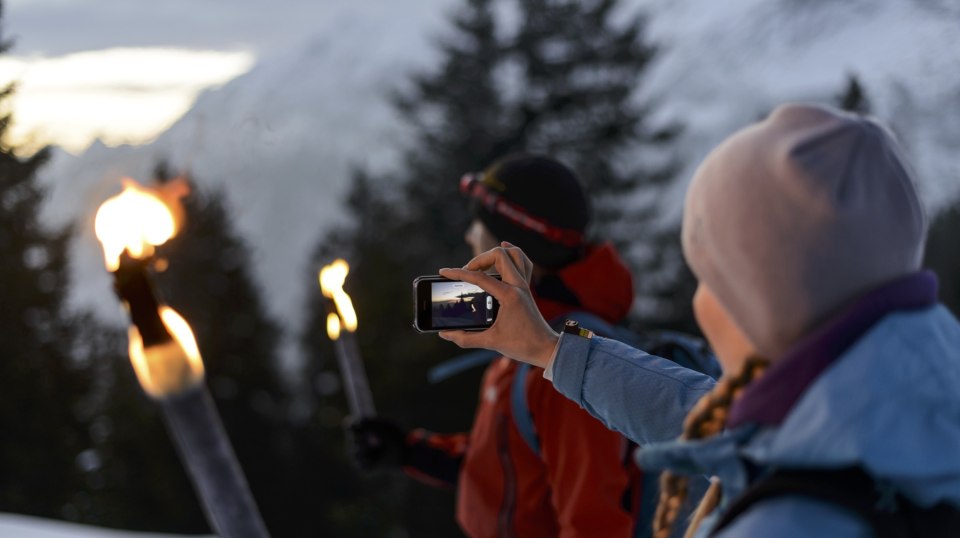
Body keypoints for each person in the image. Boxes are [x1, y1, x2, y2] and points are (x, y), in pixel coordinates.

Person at [438, 104, 960, 536]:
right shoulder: (892, 402)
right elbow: (697, 411)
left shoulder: (788, 521)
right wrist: (549, 350)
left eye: (708, 278)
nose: (699, 302)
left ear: (755, 300)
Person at [349, 154, 701, 537]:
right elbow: (511, 464)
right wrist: (410, 451)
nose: (469, 235)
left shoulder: (569, 359)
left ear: (512, 244)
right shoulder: (529, 340)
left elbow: (593, 523)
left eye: (477, 223)